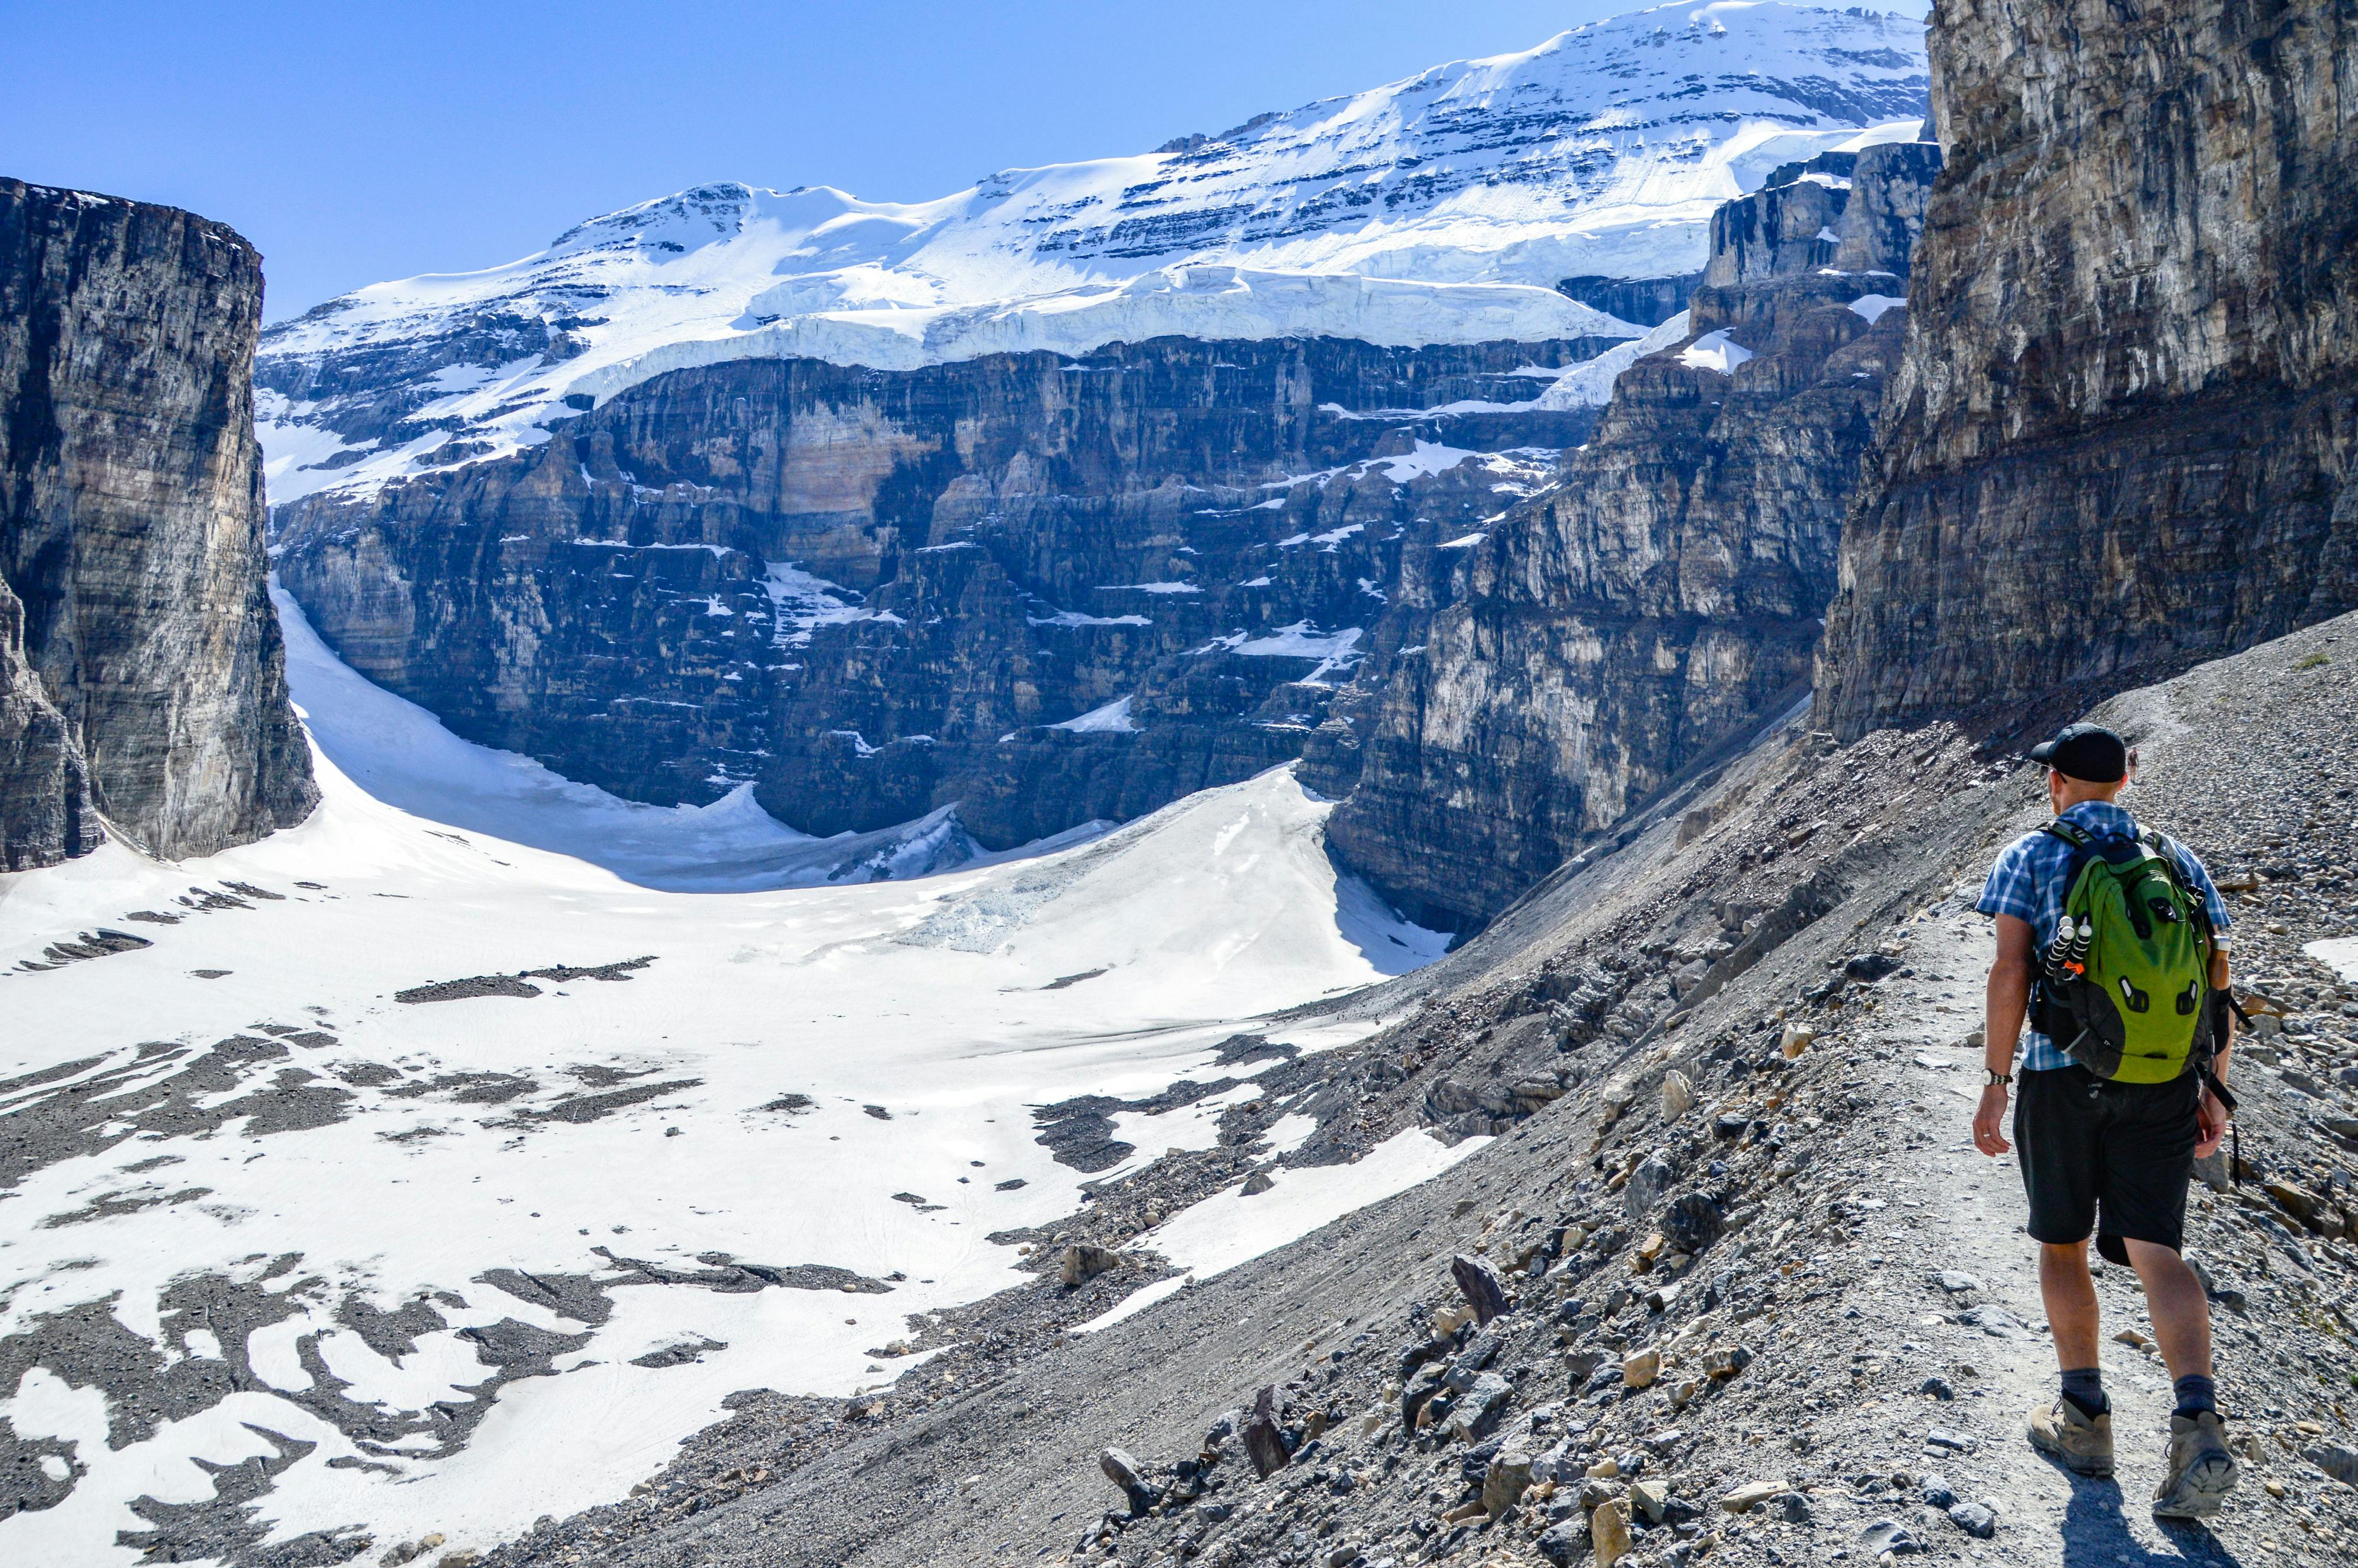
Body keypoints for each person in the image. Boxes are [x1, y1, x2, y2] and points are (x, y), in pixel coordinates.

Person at [1971, 722, 2239, 1518]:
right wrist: (2212, 1091)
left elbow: (2011, 969)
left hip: (2061, 1078)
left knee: (2063, 1242)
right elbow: (2217, 979)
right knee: (2159, 1252)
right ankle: (2198, 1427)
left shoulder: (2031, 855)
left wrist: (1994, 1082)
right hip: (2162, 1082)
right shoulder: (2177, 861)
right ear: (2125, 780)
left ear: (2056, 783)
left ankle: (2084, 1420)